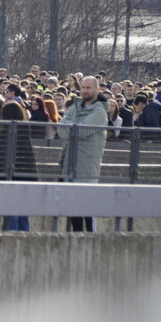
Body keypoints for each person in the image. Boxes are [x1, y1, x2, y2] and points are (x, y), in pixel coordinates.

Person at [58, 76, 108, 232]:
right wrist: (72, 126)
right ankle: (77, 238)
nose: (85, 91)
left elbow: (83, 130)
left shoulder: (99, 110)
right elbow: (61, 129)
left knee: (87, 208)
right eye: (83, 88)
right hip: (69, 165)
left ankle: (91, 241)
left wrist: (70, 125)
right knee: (73, 208)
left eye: (88, 88)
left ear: (97, 89)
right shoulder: (76, 106)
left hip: (86, 167)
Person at [0, 101, 39, 231]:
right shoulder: (25, 130)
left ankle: (11, 238)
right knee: (23, 214)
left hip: (10, 177)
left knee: (12, 214)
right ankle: (25, 241)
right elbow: (28, 155)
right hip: (25, 176)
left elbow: (0, 157)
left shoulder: (5, 133)